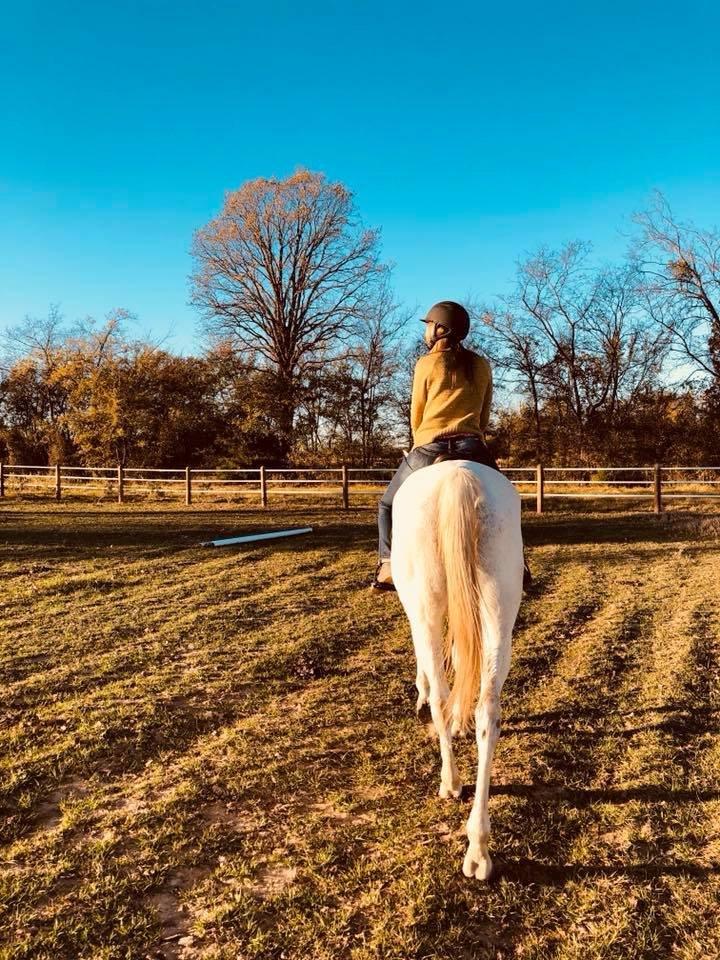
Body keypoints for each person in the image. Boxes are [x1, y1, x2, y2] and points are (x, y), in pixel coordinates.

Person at [372, 300, 504, 592]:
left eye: (429, 324)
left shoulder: (425, 363)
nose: (426, 331)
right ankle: (519, 564)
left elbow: (416, 415)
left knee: (385, 505)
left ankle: (387, 564)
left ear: (440, 328)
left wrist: (422, 440)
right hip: (473, 446)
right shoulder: (481, 365)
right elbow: (484, 415)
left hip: (429, 447)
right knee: (509, 499)